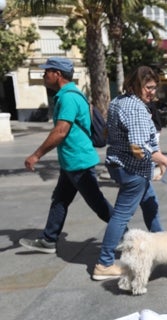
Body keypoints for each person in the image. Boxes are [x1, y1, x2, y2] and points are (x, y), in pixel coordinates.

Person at [93, 66, 167, 280]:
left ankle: (161, 248)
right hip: (133, 170)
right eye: (148, 87)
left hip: (122, 165)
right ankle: (104, 263)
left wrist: (160, 163)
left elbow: (143, 142)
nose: (152, 92)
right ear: (135, 85)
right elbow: (141, 148)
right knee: (121, 216)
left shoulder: (118, 102)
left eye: (154, 88)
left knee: (151, 205)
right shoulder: (136, 109)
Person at [19, 57, 113, 254]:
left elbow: (61, 131)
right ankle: (49, 239)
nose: (44, 75)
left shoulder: (68, 97)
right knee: (60, 199)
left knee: (97, 203)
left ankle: (125, 234)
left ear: (57, 74)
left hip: (78, 161)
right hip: (72, 161)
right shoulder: (73, 94)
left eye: (47, 72)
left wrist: (36, 155)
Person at [148, 99, 166, 180]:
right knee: (156, 148)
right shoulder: (149, 103)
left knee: (156, 149)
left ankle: (163, 171)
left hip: (154, 129)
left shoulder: (147, 104)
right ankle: (163, 170)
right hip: (156, 127)